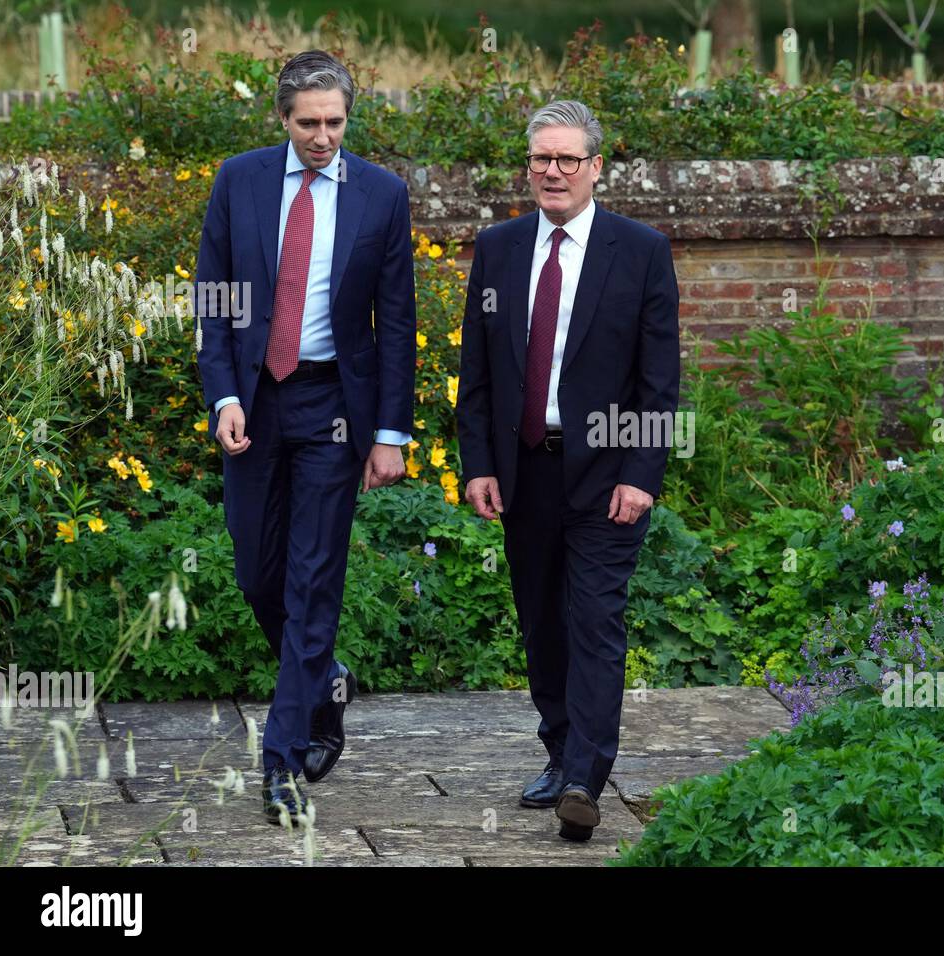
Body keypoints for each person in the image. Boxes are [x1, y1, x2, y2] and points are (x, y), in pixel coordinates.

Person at [194, 50, 415, 824]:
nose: (324, 137)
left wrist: (390, 434)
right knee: (258, 573)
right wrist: (223, 395)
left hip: (334, 409)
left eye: (336, 122)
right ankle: (325, 679)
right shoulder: (239, 181)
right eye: (309, 123)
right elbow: (214, 300)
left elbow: (397, 322)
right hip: (255, 403)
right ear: (282, 120)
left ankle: (281, 760)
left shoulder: (383, 195)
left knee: (314, 580)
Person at [457, 99, 680, 842]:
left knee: (595, 621)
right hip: (524, 470)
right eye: (541, 159)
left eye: (567, 159)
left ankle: (586, 775)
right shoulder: (498, 248)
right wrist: (479, 463)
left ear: (596, 167)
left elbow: (659, 379)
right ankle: (560, 749)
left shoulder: (640, 250)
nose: (553, 172)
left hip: (609, 473)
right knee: (542, 622)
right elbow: (477, 372)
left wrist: (642, 474)